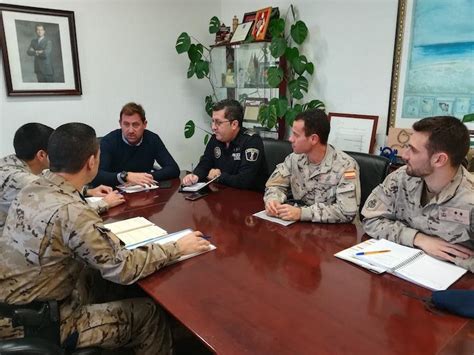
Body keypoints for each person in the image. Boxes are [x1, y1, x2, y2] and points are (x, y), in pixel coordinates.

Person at [0, 123, 210, 353]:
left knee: (103, 279)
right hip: (43, 323)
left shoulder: (34, 187)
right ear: (92, 162)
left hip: (17, 304)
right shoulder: (72, 211)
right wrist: (177, 247)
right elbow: (123, 267)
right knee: (148, 313)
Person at [362, 116, 473, 272]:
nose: (405, 155)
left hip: (450, 281)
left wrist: (454, 258)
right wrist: (417, 239)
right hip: (397, 269)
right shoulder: (402, 177)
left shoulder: (470, 198)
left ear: (439, 159)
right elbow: (371, 219)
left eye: (413, 150)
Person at [0, 123, 124, 236]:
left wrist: (88, 191)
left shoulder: (11, 163)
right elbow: (67, 212)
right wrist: (104, 203)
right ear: (42, 155)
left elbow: (49, 183)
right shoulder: (22, 180)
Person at [264, 109, 360, 223]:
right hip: (302, 229)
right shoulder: (294, 158)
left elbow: (346, 212)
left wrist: (302, 213)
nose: (290, 139)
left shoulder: (346, 166)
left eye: (296, 135)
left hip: (337, 233)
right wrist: (273, 200)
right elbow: (275, 185)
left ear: (313, 139)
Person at [182, 99, 267, 191]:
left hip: (250, 198)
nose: (213, 127)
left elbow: (244, 181)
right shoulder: (216, 139)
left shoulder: (251, 141)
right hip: (224, 192)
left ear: (234, 124)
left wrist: (218, 176)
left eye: (218, 122)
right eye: (213, 121)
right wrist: (195, 176)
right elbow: (205, 163)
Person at [92, 102, 180, 187]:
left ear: (144, 124)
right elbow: (97, 176)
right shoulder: (109, 141)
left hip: (144, 191)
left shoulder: (152, 139)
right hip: (116, 193)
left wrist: (145, 178)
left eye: (135, 125)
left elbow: (173, 169)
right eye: (126, 124)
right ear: (120, 123)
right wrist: (126, 176)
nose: (130, 130)